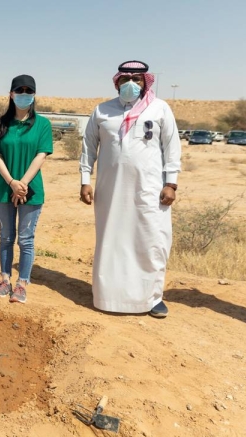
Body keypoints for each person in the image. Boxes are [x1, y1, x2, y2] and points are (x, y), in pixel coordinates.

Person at [79, 60, 181, 318]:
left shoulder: (159, 109)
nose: (131, 84)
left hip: (149, 189)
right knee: (112, 240)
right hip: (110, 191)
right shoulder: (102, 111)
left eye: (136, 79)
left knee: (150, 239)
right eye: (125, 79)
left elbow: (172, 147)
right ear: (117, 82)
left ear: (145, 82)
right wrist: (85, 180)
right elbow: (89, 147)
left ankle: (153, 298)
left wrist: (171, 183)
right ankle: (108, 296)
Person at [0, 75, 53, 304]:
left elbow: (41, 154)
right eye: (19, 90)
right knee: (6, 237)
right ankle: (5, 280)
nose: (24, 94)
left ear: (34, 94)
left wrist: (22, 183)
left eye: (28, 90)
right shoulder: (2, 123)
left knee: (26, 239)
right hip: (5, 188)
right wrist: (11, 182)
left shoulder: (42, 124)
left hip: (30, 190)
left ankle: (22, 283)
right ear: (11, 94)